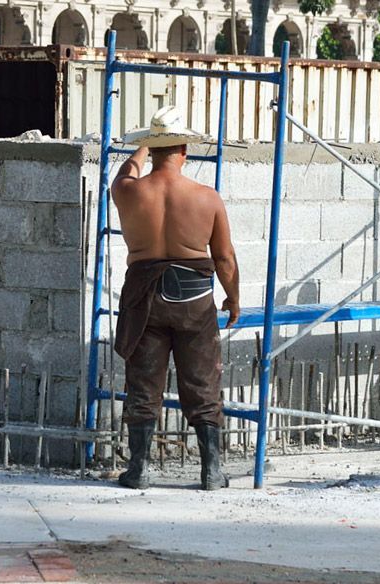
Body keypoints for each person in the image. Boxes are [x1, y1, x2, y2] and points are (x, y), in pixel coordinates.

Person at [112, 106, 240, 490]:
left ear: (153, 149)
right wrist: (233, 298)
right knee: (202, 382)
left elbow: (125, 172)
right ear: (184, 149)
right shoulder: (206, 197)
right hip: (195, 299)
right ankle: (212, 470)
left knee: (143, 383)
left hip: (145, 298)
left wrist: (141, 148)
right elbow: (224, 258)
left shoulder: (128, 191)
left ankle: (137, 469)